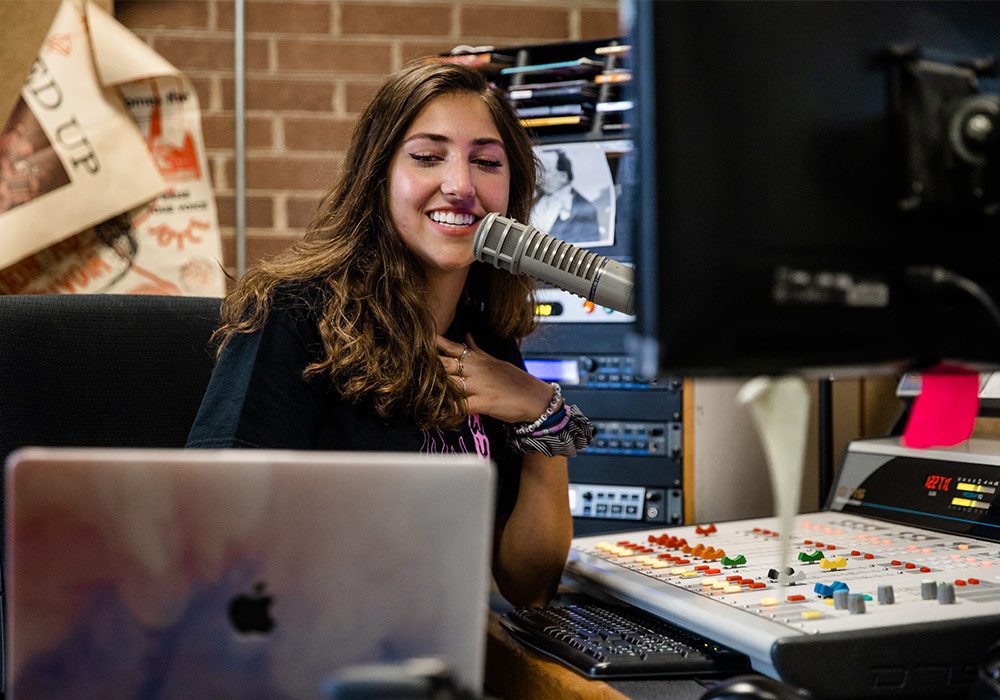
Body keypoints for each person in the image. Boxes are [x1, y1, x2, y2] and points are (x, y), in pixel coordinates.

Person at [186, 61, 594, 608]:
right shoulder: (294, 314)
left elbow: (528, 585)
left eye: (486, 162)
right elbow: (214, 543)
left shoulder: (487, 340)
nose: (460, 186)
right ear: (378, 176)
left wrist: (542, 414)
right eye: (427, 157)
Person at [531, 147, 601, 243]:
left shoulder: (585, 208)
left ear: (563, 177)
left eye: (547, 171)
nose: (540, 176)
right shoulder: (532, 201)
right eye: (539, 170)